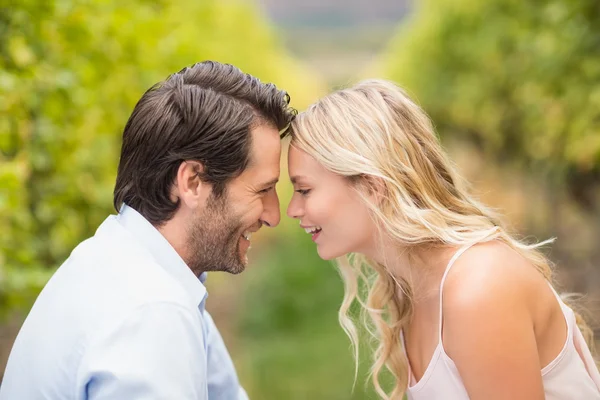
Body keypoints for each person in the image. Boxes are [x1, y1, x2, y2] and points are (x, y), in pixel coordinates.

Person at [286, 79, 600, 400]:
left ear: (372, 187)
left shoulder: (478, 290)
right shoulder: (414, 289)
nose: (291, 209)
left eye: (304, 190)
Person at [0, 61, 296, 399]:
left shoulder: (121, 265)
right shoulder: (151, 315)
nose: (274, 215)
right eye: (262, 190)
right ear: (192, 182)